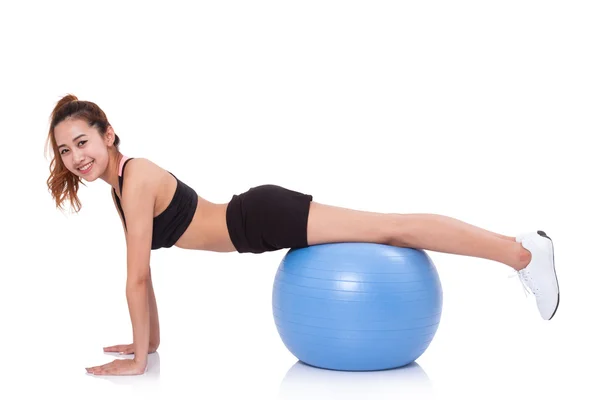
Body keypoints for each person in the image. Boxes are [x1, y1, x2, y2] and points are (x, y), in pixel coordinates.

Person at [45, 94, 560, 376]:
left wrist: (138, 363)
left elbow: (136, 277)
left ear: (109, 135)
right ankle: (519, 251)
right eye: (65, 151)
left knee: (393, 229)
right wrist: (148, 342)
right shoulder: (121, 186)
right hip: (256, 221)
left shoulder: (136, 178)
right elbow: (145, 274)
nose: (76, 158)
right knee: (391, 229)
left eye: (83, 141)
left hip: (263, 218)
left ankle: (520, 252)